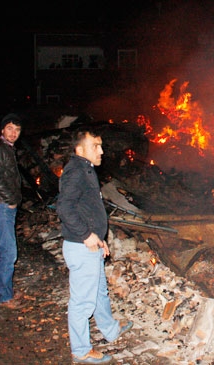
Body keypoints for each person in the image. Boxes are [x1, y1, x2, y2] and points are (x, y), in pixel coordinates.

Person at [56, 128, 133, 364]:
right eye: (95, 146)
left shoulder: (86, 169)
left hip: (91, 244)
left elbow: (85, 209)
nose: (101, 150)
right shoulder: (76, 172)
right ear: (80, 150)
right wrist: (87, 235)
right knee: (82, 302)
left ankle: (110, 329)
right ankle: (80, 350)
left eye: (101, 145)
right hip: (82, 247)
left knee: (99, 292)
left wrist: (99, 238)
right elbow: (64, 208)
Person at [0, 113, 24, 309]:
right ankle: (3, 296)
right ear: (2, 130)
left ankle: (4, 291)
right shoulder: (0, 149)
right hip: (1, 205)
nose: (13, 133)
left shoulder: (6, 149)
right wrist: (10, 200)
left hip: (2, 205)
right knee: (8, 252)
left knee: (3, 250)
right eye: (10, 128)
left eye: (17, 130)